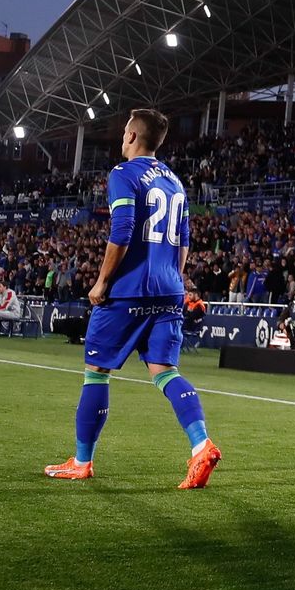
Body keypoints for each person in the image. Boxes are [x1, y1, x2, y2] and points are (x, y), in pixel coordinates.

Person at [45, 109, 220, 489]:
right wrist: (173, 279)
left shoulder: (122, 174)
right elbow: (184, 242)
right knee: (164, 371)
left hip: (129, 292)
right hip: (169, 289)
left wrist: (102, 282)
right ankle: (201, 445)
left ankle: (82, 461)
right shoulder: (175, 181)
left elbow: (122, 230)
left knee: (96, 372)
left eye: (124, 132)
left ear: (130, 137)